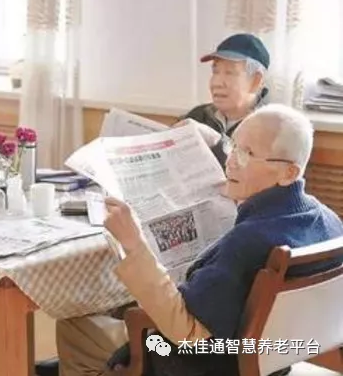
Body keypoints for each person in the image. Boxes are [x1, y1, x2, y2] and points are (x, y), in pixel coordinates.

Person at [50, 104, 343, 376]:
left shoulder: (248, 243)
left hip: (206, 362)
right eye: (232, 146)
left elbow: (188, 335)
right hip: (273, 360)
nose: (231, 162)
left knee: (75, 327)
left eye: (246, 154)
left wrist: (133, 244)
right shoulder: (330, 222)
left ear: (289, 173)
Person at [177, 33, 270, 166]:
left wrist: (216, 141)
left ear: (256, 81)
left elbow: (250, 171)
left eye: (229, 73)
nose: (217, 83)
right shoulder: (198, 115)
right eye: (215, 72)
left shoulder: (271, 128)